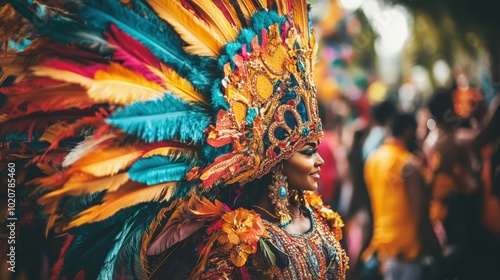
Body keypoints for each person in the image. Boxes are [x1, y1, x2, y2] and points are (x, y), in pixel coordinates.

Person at [0, 1, 348, 279]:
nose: (319, 161)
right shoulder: (235, 241)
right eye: (308, 151)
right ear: (277, 157)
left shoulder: (319, 217)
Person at [362, 113, 440, 280]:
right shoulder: (409, 164)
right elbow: (420, 212)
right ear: (409, 131)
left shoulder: (373, 160)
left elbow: (371, 207)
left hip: (385, 249)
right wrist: (435, 249)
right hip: (410, 252)